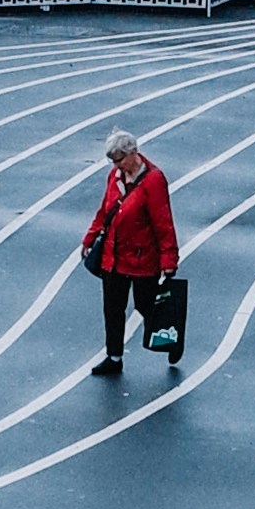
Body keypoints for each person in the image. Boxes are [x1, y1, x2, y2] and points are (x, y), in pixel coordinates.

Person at [81, 127, 179, 375]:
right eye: (113, 160)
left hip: (142, 258)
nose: (116, 165)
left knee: (147, 305)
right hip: (112, 258)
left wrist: (169, 259)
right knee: (112, 309)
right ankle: (114, 357)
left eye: (120, 159)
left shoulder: (154, 180)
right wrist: (90, 237)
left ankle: (171, 339)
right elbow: (105, 211)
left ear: (133, 153)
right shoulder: (114, 177)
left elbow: (163, 222)